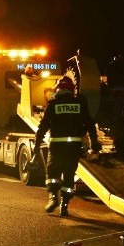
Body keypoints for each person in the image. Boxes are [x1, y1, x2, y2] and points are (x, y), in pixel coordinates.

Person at [33, 75, 101, 216]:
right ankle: (65, 205)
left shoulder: (53, 104)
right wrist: (94, 144)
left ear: (58, 89)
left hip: (56, 147)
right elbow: (90, 124)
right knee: (69, 175)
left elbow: (43, 126)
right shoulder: (79, 103)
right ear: (72, 89)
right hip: (73, 148)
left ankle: (53, 197)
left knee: (53, 173)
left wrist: (37, 144)